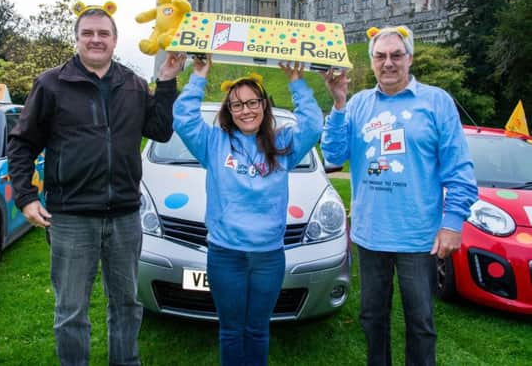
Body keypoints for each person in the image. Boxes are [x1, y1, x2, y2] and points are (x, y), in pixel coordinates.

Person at [7, 1, 184, 366]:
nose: (96, 39)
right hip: (71, 217)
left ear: (115, 40)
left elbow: (161, 131)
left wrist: (166, 81)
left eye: (103, 33)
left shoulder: (133, 85)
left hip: (123, 215)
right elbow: (22, 142)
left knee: (127, 304)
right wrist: (25, 197)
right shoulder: (51, 83)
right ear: (76, 40)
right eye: (87, 33)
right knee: (71, 310)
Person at [320, 25, 478, 366]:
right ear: (372, 61)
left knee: (420, 323)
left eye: (396, 55)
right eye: (380, 56)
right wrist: (338, 103)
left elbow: (459, 169)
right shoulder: (359, 103)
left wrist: (452, 222)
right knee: (372, 319)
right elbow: (332, 156)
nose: (388, 63)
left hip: (419, 236)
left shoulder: (436, 101)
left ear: (410, 58)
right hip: (370, 234)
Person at [173, 56, 322, 366]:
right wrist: (199, 74)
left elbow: (312, 125)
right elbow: (184, 119)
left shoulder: (283, 144)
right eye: (237, 105)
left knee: (256, 330)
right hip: (225, 254)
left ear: (264, 105)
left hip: (268, 257)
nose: (246, 110)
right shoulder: (213, 143)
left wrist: (296, 82)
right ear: (229, 111)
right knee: (230, 331)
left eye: (252, 102)